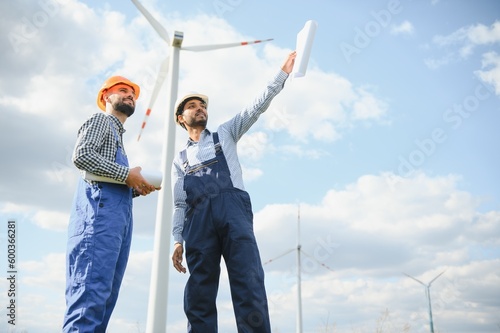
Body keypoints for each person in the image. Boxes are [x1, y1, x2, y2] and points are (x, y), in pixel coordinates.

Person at [171, 51, 296, 333]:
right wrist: (177, 239)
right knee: (199, 292)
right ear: (181, 118)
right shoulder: (179, 160)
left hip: (233, 213)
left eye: (202, 105)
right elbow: (179, 203)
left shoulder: (225, 134)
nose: (200, 108)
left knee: (248, 280)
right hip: (198, 224)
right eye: (192, 106)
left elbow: (256, 107)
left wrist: (282, 74)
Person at [63, 76, 160, 332]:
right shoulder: (101, 121)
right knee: (88, 300)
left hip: (116, 225)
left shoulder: (118, 139)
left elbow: (107, 178)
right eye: (123, 90)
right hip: (97, 222)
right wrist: (127, 175)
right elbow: (82, 156)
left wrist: (136, 186)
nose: (130, 95)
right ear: (106, 96)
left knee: (103, 300)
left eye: (133, 93)